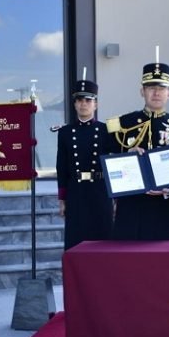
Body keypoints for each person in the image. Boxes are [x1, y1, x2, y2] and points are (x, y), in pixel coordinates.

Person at [106, 62, 169, 240]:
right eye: (151, 87)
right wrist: (127, 156)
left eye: (162, 88)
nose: (156, 93)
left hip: (166, 208)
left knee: (166, 255)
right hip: (131, 205)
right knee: (128, 254)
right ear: (142, 91)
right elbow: (109, 163)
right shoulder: (123, 124)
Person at [56, 78, 113, 250]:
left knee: (103, 241)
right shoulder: (65, 132)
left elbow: (115, 162)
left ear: (95, 104)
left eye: (88, 100)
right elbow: (62, 167)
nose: (84, 104)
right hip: (76, 192)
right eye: (80, 100)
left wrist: (116, 196)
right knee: (76, 242)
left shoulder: (106, 130)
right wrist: (62, 198)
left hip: (100, 190)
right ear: (74, 104)